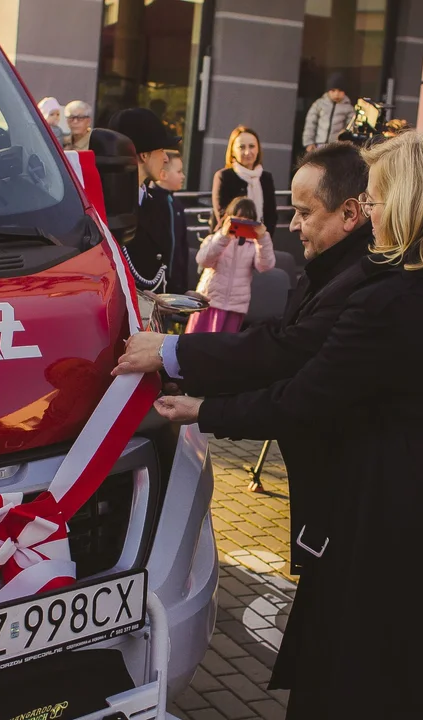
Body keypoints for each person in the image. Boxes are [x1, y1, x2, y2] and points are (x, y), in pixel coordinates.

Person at [146, 130, 423, 718]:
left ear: (408, 204)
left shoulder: (391, 302)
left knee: (367, 675)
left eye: (378, 202)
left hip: (398, 516)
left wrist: (204, 409)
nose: (372, 218)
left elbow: (304, 400)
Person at [113, 142, 373, 549]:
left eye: (305, 213)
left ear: (350, 212)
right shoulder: (337, 268)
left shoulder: (360, 279)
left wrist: (177, 360)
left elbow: (288, 361)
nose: (294, 224)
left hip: (347, 501)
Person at [107, 107, 186, 291]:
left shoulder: (154, 202)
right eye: (160, 150)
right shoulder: (107, 204)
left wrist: (178, 294)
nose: (166, 158)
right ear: (144, 155)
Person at [185, 197, 276, 334]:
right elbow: (203, 260)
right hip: (209, 302)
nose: (242, 224)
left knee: (223, 348)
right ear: (228, 218)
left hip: (235, 307)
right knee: (196, 343)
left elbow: (265, 266)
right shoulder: (215, 239)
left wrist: (263, 239)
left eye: (248, 220)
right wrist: (224, 236)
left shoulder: (254, 246)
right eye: (238, 219)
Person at [210, 126, 278, 238]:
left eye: (252, 146)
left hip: (259, 242)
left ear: (258, 149)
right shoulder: (224, 176)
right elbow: (222, 214)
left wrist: (263, 239)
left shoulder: (266, 178)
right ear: (232, 151)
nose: (247, 152)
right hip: (228, 241)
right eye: (241, 147)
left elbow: (271, 215)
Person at [153, 149, 191, 292]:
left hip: (174, 284)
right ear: (163, 175)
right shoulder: (151, 201)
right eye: (179, 171)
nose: (183, 176)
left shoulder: (176, 204)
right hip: (157, 284)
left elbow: (181, 247)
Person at [302, 73, 354, 151]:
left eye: (340, 91)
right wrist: (309, 142)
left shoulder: (348, 108)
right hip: (318, 144)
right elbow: (310, 124)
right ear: (328, 91)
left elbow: (351, 125)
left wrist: (345, 136)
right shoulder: (319, 104)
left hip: (337, 147)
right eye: (333, 90)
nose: (336, 94)